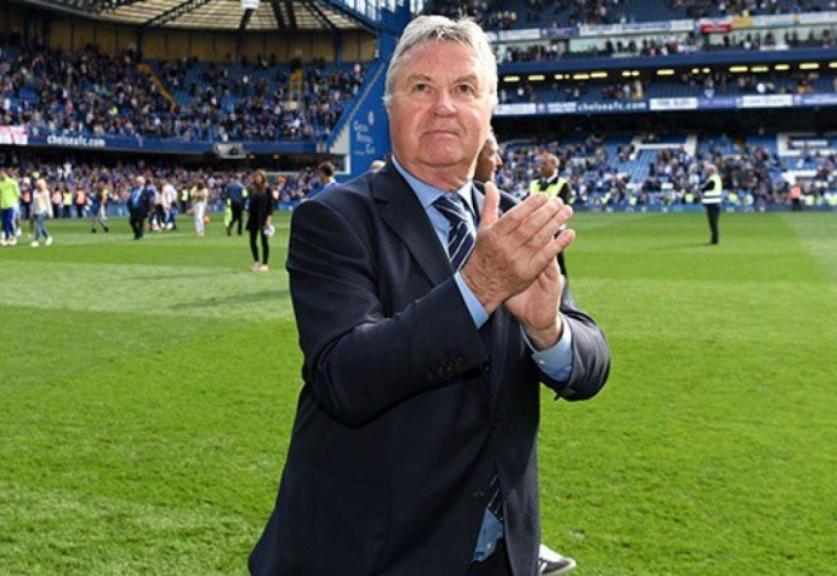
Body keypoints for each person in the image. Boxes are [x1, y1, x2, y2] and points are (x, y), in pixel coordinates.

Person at [249, 16, 611, 576]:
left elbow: (589, 363)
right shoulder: (334, 218)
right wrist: (479, 286)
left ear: (488, 110)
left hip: (499, 557)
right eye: (422, 87)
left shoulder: (518, 220)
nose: (444, 106)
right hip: (374, 554)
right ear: (389, 106)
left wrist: (548, 331)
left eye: (464, 89)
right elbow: (345, 376)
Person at [474, 131, 578, 576]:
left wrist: (549, 329)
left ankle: (516, 540)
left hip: (545, 255)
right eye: (492, 149)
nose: (498, 159)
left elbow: (589, 362)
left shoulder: (537, 195)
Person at [529, 153, 573, 275]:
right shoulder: (534, 184)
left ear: (555, 165)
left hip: (554, 230)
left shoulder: (563, 184)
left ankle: (562, 290)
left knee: (557, 265)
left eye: (545, 164)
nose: (541, 167)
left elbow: (563, 207)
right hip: (536, 230)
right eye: (540, 164)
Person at [246, 169, 275, 272]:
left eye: (259, 177)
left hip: (263, 218)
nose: (257, 178)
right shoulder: (252, 189)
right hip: (253, 218)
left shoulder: (268, 189)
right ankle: (256, 261)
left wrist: (268, 219)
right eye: (256, 177)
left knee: (264, 242)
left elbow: (271, 206)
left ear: (263, 178)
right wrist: (247, 215)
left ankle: (265, 263)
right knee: (252, 241)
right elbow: (250, 204)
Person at [0, 169, 21, 246]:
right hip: (3, 205)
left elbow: (17, 194)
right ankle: (10, 237)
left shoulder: (12, 182)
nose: (0, 176)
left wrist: (15, 203)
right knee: (4, 222)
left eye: (1, 174)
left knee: (9, 221)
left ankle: (9, 238)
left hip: (11, 205)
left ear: (5, 174)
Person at [701, 163, 723, 245]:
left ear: (711, 171)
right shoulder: (715, 178)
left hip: (713, 203)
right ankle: (714, 239)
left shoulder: (713, 179)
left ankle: (715, 240)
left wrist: (700, 188)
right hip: (714, 203)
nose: (706, 172)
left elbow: (708, 187)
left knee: (713, 222)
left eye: (707, 170)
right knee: (713, 222)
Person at [30, 178, 54, 248]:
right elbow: (34, 203)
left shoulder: (46, 192)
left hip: (43, 211)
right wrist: (32, 212)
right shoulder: (35, 192)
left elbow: (48, 203)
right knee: (41, 226)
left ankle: (36, 240)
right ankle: (48, 237)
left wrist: (50, 213)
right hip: (36, 211)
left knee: (38, 225)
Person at [126, 176, 150, 240]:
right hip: (134, 209)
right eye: (136, 181)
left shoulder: (145, 191)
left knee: (140, 222)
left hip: (141, 209)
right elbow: (130, 198)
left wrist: (148, 211)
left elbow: (148, 202)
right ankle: (138, 233)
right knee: (132, 221)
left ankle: (139, 235)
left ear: (142, 182)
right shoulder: (134, 190)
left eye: (138, 181)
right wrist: (129, 205)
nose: (137, 183)